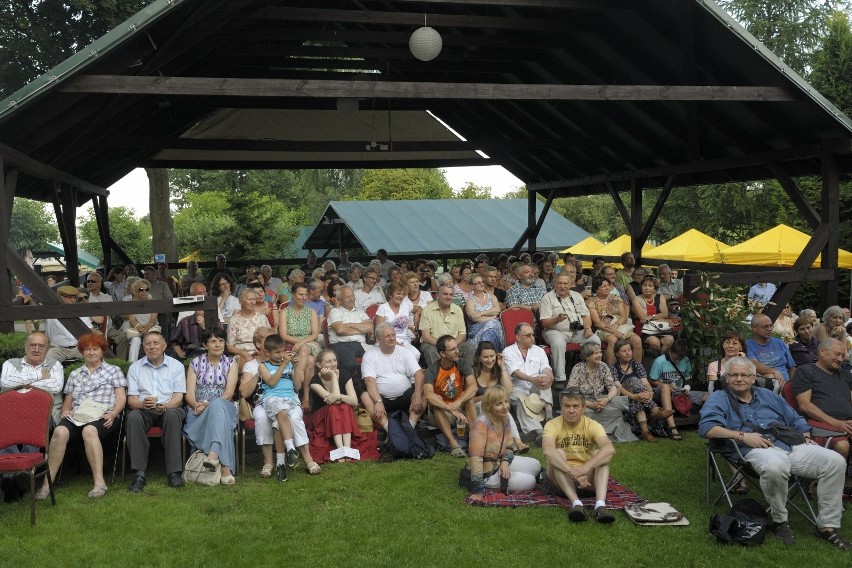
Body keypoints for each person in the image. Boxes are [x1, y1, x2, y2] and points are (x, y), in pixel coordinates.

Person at [699, 356, 850, 549]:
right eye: (733, 375)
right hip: (753, 450)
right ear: (726, 378)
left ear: (753, 378)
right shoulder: (719, 398)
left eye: (744, 375)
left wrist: (804, 434)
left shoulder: (767, 395)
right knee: (774, 465)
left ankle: (827, 526)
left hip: (789, 444)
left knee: (835, 461)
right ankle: (780, 521)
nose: (739, 378)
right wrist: (743, 436)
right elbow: (707, 428)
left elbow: (795, 419)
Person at [35, 333, 126, 499]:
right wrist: (65, 411)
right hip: (78, 416)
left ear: (102, 351)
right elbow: (68, 402)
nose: (91, 352)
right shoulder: (75, 374)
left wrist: (114, 413)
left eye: (95, 349)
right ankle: (47, 485)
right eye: (87, 349)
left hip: (104, 417)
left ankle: (99, 483)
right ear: (82, 352)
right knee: (59, 432)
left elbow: (121, 397)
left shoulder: (114, 371)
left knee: (89, 430)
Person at [0, 331, 64, 500]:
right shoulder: (10, 363)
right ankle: (19, 477)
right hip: (12, 414)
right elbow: (6, 383)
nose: (36, 349)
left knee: (35, 421)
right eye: (32, 345)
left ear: (47, 348)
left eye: (41, 346)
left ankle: (13, 479)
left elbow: (55, 386)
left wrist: (21, 381)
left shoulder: (55, 365)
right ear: (25, 347)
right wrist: (38, 376)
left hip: (42, 415)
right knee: (4, 423)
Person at [542, 388, 616, 523]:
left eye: (575, 406)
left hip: (587, 479)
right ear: (561, 408)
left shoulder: (593, 425)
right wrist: (572, 471)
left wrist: (584, 469)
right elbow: (547, 451)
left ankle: (600, 506)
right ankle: (576, 504)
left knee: (601, 455)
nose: (571, 410)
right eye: (567, 406)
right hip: (561, 479)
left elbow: (609, 449)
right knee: (557, 453)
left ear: (583, 408)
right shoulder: (552, 425)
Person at [125, 331, 187, 492]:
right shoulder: (135, 368)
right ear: (143, 347)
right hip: (144, 409)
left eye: (156, 343)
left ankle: (174, 473)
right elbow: (131, 400)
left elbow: (179, 397)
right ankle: (139, 474)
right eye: (148, 344)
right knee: (132, 417)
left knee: (173, 416)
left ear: (164, 346)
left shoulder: (176, 366)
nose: (152, 347)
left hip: (169, 407)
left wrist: (166, 406)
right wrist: (142, 403)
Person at [258, 334, 321, 477]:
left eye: (282, 351)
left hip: (290, 397)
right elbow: (272, 383)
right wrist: (284, 365)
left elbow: (298, 386)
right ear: (268, 353)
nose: (281, 355)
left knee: (294, 420)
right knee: (281, 412)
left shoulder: (290, 364)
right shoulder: (263, 366)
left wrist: (297, 367)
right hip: (271, 398)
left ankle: (304, 460)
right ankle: (290, 448)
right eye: (277, 352)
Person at [183, 328, 239, 484]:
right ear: (205, 345)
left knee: (218, 407)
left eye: (221, 341)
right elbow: (189, 394)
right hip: (199, 410)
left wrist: (211, 405)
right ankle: (225, 468)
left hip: (224, 406)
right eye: (213, 341)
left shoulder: (231, 363)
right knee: (220, 421)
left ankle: (213, 457)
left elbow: (229, 393)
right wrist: (196, 405)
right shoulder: (195, 363)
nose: (218, 344)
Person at [467, 386, 542, 501]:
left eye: (506, 402)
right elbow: (475, 459)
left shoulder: (505, 419)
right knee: (530, 481)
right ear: (489, 406)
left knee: (536, 465)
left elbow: (508, 447)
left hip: (499, 462)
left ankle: (542, 478)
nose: (505, 407)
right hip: (487, 473)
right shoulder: (481, 424)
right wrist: (478, 490)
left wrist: (505, 463)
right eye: (499, 404)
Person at [239, 328, 287, 480]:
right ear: (259, 345)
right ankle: (268, 462)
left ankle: (285, 459)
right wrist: (259, 373)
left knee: (283, 415)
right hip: (261, 403)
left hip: (283, 401)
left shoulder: (283, 360)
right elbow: (244, 393)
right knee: (261, 417)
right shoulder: (251, 366)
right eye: (268, 339)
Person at [792, 338, 852, 460]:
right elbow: (805, 405)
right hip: (820, 423)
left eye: (843, 355)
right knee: (842, 446)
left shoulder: (846, 374)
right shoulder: (805, 371)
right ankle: (836, 478)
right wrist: (836, 423)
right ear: (822, 351)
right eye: (837, 354)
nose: (840, 359)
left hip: (847, 422)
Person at [360, 323, 425, 432]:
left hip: (406, 396)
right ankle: (389, 430)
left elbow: (418, 374)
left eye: (393, 335)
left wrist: (417, 395)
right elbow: (369, 381)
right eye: (387, 336)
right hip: (382, 399)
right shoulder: (369, 355)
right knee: (365, 396)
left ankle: (410, 428)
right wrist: (378, 402)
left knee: (426, 390)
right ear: (378, 339)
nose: (392, 338)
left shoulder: (405, 352)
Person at [567, 342, 636, 443]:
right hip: (582, 400)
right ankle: (587, 435)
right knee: (582, 412)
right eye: (596, 353)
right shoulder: (578, 368)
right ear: (587, 356)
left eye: (600, 352)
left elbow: (612, 388)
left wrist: (605, 400)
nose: (599, 355)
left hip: (600, 399)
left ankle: (608, 433)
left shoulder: (603, 366)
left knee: (616, 407)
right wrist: (590, 404)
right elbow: (571, 392)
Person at [422, 335, 478, 458]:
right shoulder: (432, 370)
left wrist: (458, 403)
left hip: (458, 407)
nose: (457, 351)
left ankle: (475, 439)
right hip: (443, 412)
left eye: (457, 347)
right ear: (442, 353)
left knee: (467, 397)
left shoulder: (462, 363)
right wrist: (451, 409)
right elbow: (428, 395)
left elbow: (473, 387)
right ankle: (454, 444)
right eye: (452, 349)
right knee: (436, 402)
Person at [540, 273, 599, 384]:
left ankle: (591, 374)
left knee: (595, 340)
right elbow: (544, 323)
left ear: (571, 284)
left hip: (577, 332)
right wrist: (556, 319)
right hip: (555, 331)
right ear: (555, 284)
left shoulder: (577, 296)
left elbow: (586, 315)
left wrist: (587, 328)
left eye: (565, 283)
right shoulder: (547, 298)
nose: (562, 286)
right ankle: (560, 379)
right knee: (558, 342)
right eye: (559, 283)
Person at [471, 342, 528, 453]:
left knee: (504, 410)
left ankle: (518, 442)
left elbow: (508, 390)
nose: (490, 360)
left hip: (496, 407)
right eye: (485, 357)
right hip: (478, 408)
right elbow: (469, 399)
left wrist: (502, 366)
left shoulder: (498, 370)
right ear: (479, 358)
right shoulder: (473, 372)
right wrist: (488, 398)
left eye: (492, 356)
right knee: (492, 407)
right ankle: (512, 443)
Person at [612, 339, 671, 442]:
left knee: (638, 400)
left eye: (629, 350)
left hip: (638, 399)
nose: (628, 353)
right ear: (617, 353)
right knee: (634, 380)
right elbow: (619, 388)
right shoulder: (613, 368)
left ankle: (645, 432)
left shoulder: (636, 365)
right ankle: (655, 409)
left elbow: (646, 383)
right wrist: (634, 396)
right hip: (625, 398)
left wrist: (650, 393)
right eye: (624, 351)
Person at [504, 322, 554, 439]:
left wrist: (549, 376)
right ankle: (539, 431)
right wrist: (533, 379)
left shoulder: (539, 350)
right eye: (528, 335)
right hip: (517, 388)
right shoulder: (508, 351)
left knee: (544, 379)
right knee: (521, 401)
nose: (532, 338)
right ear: (518, 337)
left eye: (533, 334)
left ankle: (549, 415)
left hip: (536, 387)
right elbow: (515, 373)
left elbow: (546, 367)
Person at [309, 350, 360, 460]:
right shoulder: (314, 382)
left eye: (334, 360)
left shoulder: (345, 373)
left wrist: (341, 397)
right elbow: (334, 401)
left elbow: (354, 401)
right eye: (328, 362)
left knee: (345, 406)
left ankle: (347, 449)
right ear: (319, 365)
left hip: (341, 413)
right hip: (321, 418)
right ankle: (340, 449)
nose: (333, 364)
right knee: (334, 407)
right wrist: (333, 377)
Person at [649, 340, 704, 441]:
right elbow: (652, 381)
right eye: (675, 358)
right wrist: (667, 385)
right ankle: (672, 427)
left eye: (680, 359)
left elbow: (688, 378)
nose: (678, 361)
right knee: (665, 387)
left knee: (708, 395)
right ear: (670, 351)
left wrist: (687, 387)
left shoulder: (686, 360)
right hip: (662, 392)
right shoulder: (659, 361)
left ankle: (706, 424)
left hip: (680, 392)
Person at [278, 282, 321, 407]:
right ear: (292, 295)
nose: (304, 297)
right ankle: (306, 397)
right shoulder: (285, 312)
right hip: (290, 345)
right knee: (311, 361)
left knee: (305, 349)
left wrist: (302, 342)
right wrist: (299, 342)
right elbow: (283, 335)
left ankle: (299, 377)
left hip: (310, 344)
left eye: (306, 294)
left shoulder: (311, 312)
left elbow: (315, 334)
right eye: (300, 294)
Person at [586, 275, 642, 364]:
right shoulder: (591, 301)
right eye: (603, 286)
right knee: (613, 339)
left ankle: (637, 368)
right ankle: (612, 371)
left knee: (637, 339)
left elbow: (624, 316)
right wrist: (613, 331)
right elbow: (597, 323)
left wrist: (616, 326)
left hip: (620, 325)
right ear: (596, 289)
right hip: (603, 329)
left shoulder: (616, 297)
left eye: (608, 285)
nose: (607, 288)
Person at [420, 283, 473, 368]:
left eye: (451, 294)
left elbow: (462, 334)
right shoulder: (427, 310)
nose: (448, 297)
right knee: (430, 351)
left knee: (469, 349)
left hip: (455, 343)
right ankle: (438, 378)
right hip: (433, 344)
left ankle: (465, 375)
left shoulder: (458, 309)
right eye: (445, 294)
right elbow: (426, 337)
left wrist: (452, 346)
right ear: (437, 295)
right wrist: (444, 346)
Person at [327, 285, 373, 374]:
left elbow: (369, 328)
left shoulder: (360, 312)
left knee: (375, 358)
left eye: (352, 296)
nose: (352, 299)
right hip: (340, 344)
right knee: (349, 364)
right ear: (339, 300)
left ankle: (366, 384)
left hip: (360, 344)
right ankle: (350, 386)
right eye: (348, 297)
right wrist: (360, 328)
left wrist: (348, 325)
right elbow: (340, 330)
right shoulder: (335, 312)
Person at [85, 271, 130, 359]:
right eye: (88, 281)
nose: (90, 283)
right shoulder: (84, 297)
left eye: (93, 281)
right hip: (89, 328)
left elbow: (111, 315)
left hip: (107, 328)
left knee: (123, 338)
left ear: (100, 283)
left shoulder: (107, 298)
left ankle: (119, 363)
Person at [43, 285, 94, 362]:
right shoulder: (49, 310)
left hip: (78, 348)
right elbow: (34, 308)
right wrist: (29, 299)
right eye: (69, 297)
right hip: (57, 349)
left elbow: (89, 331)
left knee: (96, 359)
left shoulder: (81, 311)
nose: (73, 300)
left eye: (74, 297)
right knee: (46, 363)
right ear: (60, 297)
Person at [746, 313, 795, 391]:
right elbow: (753, 364)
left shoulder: (780, 343)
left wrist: (790, 384)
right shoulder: (748, 345)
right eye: (765, 326)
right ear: (754, 328)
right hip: (765, 386)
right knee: (770, 377)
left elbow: (792, 367)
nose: (769, 329)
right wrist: (774, 372)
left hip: (786, 385)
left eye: (770, 326)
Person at [374, 281, 419, 360]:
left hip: (404, 341)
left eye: (402, 294)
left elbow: (419, 309)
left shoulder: (406, 305)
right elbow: (379, 331)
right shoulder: (383, 308)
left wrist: (416, 316)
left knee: (416, 354)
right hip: (386, 341)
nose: (401, 296)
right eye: (398, 293)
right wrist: (395, 343)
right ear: (390, 295)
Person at [631, 275, 673, 357]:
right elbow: (643, 318)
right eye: (644, 285)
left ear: (655, 288)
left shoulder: (660, 297)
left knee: (669, 340)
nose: (647, 288)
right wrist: (658, 317)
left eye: (650, 286)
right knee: (655, 342)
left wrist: (650, 317)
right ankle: (661, 361)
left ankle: (659, 359)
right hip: (644, 328)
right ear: (641, 287)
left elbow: (665, 314)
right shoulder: (636, 299)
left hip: (660, 328)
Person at [227, 288, 271, 364]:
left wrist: (262, 351)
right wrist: (245, 354)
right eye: (250, 299)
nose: (253, 302)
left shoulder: (261, 317)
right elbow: (230, 346)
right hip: (242, 354)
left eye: (254, 299)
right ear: (241, 301)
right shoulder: (234, 320)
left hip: (262, 352)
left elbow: (271, 338)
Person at [464, 272, 505, 352]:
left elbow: (497, 309)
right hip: (477, 329)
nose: (482, 284)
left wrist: (480, 313)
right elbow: (474, 318)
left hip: (494, 328)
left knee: (491, 328)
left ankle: (487, 353)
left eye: (482, 282)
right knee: (493, 325)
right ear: (472, 286)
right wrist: (491, 318)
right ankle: (492, 353)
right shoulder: (470, 301)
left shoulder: (491, 296)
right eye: (478, 283)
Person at [120, 278, 159, 362]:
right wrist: (139, 327)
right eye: (141, 289)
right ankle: (131, 365)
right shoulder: (132, 304)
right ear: (136, 291)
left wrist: (147, 327)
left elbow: (153, 319)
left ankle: (155, 362)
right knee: (135, 340)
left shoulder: (153, 303)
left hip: (151, 327)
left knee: (151, 339)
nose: (144, 291)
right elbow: (132, 320)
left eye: (146, 289)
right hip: (136, 328)